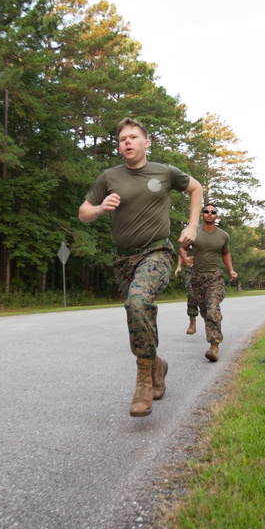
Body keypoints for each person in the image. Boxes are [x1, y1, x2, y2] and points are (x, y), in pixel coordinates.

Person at [78, 117, 202, 418]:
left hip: (157, 251)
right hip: (123, 260)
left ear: (146, 142)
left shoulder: (164, 172)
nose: (128, 142)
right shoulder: (109, 177)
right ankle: (156, 363)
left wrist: (193, 225)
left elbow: (196, 188)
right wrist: (99, 208)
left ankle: (143, 383)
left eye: (133, 137)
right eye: (122, 139)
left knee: (138, 300)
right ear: (119, 147)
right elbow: (84, 212)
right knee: (137, 314)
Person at [186, 203, 238, 362]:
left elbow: (226, 253)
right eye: (206, 211)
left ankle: (214, 346)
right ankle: (212, 335)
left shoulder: (223, 236)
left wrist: (231, 270)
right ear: (202, 214)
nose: (209, 214)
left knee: (213, 309)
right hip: (197, 279)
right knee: (205, 311)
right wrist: (185, 259)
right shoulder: (193, 232)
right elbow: (182, 247)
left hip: (215, 278)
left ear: (216, 215)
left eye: (213, 212)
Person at [174, 243, 198, 335]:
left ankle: (210, 324)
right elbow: (181, 252)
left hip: (203, 270)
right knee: (191, 295)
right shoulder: (187, 237)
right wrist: (179, 266)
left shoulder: (204, 235)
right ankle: (192, 323)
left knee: (205, 298)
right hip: (190, 271)